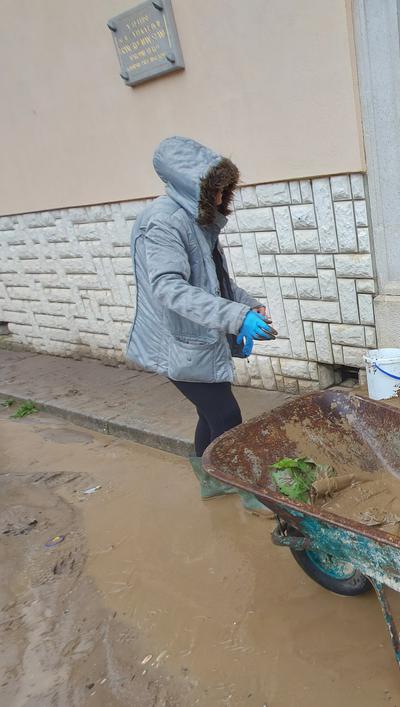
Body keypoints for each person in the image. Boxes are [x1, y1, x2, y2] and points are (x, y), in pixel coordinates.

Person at [126, 136, 275, 514]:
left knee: (209, 414)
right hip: (177, 344)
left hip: (198, 341)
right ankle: (247, 490)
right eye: (215, 189)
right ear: (191, 185)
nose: (222, 196)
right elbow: (169, 288)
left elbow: (214, 282)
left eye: (225, 188)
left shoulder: (199, 221)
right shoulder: (164, 223)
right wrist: (236, 317)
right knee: (226, 415)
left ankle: (211, 483)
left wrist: (247, 305)